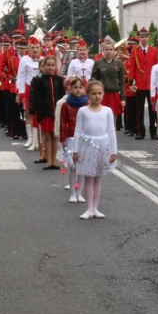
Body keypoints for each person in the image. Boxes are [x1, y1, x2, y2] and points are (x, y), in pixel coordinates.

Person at [73, 80, 118, 219]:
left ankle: (95, 208)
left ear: (103, 94)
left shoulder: (107, 111)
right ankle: (89, 209)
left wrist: (114, 151)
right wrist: (75, 150)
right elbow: (78, 130)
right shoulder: (83, 110)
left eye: (100, 93)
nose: (97, 96)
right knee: (88, 179)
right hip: (87, 145)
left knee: (98, 178)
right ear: (88, 95)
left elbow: (111, 130)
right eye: (93, 93)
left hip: (102, 146)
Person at [29, 55, 66, 170]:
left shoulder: (59, 80)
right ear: (43, 66)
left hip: (56, 113)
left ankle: (54, 161)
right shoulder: (39, 81)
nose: (50, 67)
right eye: (48, 65)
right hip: (45, 112)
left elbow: (62, 97)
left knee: (55, 137)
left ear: (55, 67)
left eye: (52, 65)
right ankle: (48, 160)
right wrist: (36, 111)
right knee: (46, 137)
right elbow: (36, 97)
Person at [60, 77, 88, 203]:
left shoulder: (87, 104)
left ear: (84, 89)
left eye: (80, 87)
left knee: (81, 167)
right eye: (75, 87)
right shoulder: (66, 105)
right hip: (71, 138)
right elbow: (62, 122)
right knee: (72, 167)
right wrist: (63, 139)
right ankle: (72, 193)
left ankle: (79, 192)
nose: (78, 90)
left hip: (84, 139)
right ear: (70, 89)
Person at [129, 27, 158, 141]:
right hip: (140, 83)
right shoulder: (135, 50)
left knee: (153, 108)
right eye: (142, 37)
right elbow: (132, 67)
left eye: (145, 36)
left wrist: (157, 82)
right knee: (139, 109)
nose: (144, 39)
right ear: (139, 38)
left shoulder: (154, 51)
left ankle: (154, 131)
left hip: (151, 83)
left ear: (148, 37)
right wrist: (131, 82)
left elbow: (157, 67)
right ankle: (140, 131)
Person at [91, 40, 126, 128]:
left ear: (114, 51)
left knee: (113, 120)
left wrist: (123, 98)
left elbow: (122, 82)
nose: (109, 51)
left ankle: (111, 139)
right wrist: (91, 96)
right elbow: (93, 80)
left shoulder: (118, 63)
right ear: (103, 50)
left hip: (114, 94)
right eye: (106, 49)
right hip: (102, 95)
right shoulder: (98, 63)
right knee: (101, 119)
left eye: (111, 49)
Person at [18, 37, 42, 152]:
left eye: (37, 47)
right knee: (28, 114)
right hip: (28, 89)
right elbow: (21, 76)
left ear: (40, 48)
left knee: (38, 115)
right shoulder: (24, 60)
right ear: (29, 49)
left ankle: (37, 140)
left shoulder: (43, 59)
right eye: (32, 48)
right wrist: (21, 92)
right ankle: (31, 139)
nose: (35, 50)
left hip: (40, 90)